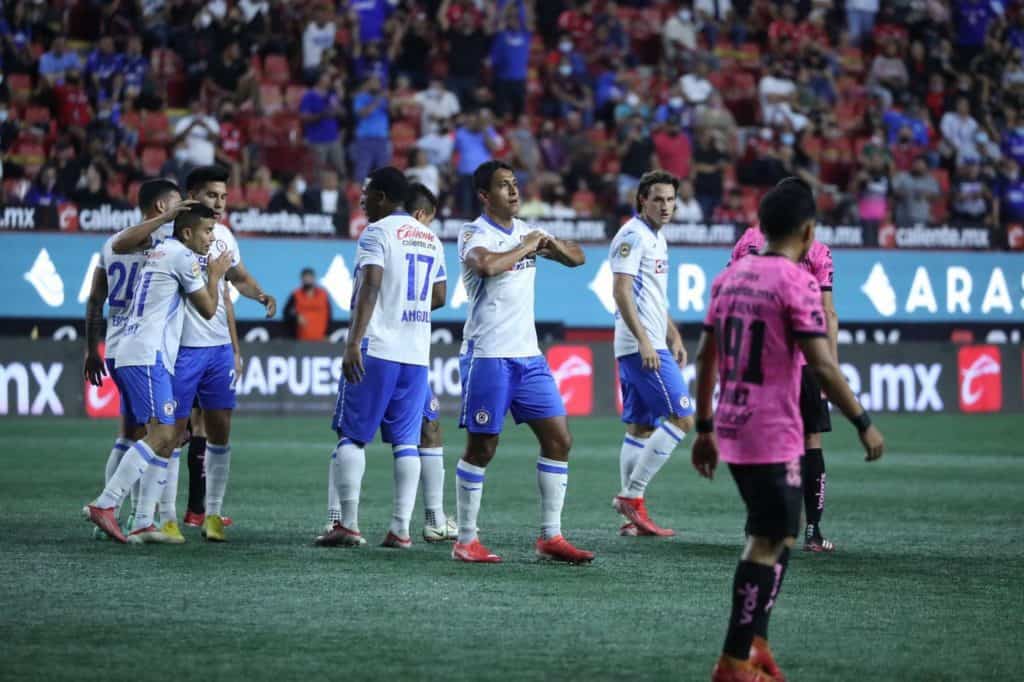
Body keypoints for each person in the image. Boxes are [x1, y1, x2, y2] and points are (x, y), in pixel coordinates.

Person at [693, 178, 884, 682]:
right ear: (808, 230)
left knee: (777, 537)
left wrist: (704, 427)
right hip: (772, 430)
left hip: (732, 424)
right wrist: (861, 421)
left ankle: (755, 644)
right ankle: (733, 661)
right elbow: (821, 366)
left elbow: (705, 356)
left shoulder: (729, 279)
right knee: (766, 541)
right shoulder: (797, 282)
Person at [113, 165, 277, 541]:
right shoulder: (167, 236)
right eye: (211, 196)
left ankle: (213, 515)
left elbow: (238, 280)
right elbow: (121, 246)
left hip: (217, 350)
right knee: (170, 436)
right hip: (181, 349)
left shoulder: (223, 238)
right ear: (191, 196)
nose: (219, 205)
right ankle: (166, 517)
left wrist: (260, 293)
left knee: (220, 432)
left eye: (223, 197)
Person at [452, 160, 593, 564]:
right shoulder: (473, 233)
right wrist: (530, 245)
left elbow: (578, 258)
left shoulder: (526, 233)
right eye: (503, 186)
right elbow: (486, 265)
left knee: (559, 440)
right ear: (484, 195)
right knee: (482, 448)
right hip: (488, 356)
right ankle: (465, 540)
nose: (514, 192)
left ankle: (551, 536)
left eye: (515, 184)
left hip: (528, 356)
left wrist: (551, 245)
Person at [82, 208, 231, 544]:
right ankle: (106, 504)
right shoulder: (183, 257)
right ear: (188, 233)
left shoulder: (159, 249)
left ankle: (143, 522)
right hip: (147, 354)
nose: (212, 237)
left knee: (157, 434)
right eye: (207, 230)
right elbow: (208, 310)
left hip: (133, 350)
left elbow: (120, 244)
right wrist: (216, 275)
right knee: (165, 433)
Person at [315, 168, 446, 549]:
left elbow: (370, 283)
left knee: (352, 437)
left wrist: (352, 341)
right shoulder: (430, 238)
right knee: (406, 442)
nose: (362, 199)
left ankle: (348, 524)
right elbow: (438, 296)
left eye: (368, 193)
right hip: (416, 353)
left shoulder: (377, 232)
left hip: (379, 346)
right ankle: (400, 528)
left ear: (386, 198)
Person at [729, 193, 840, 553]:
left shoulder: (747, 242)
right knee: (810, 442)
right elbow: (828, 314)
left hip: (760, 362)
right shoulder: (818, 251)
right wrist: (830, 368)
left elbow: (736, 293)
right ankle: (814, 531)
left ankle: (755, 525)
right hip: (806, 361)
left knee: (762, 440)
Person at [83, 179, 191, 540]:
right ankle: (115, 507)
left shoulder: (114, 243)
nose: (183, 208)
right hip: (146, 349)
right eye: (178, 203)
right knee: (162, 433)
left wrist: (92, 347)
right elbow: (97, 297)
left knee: (131, 434)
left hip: (119, 348)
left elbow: (95, 299)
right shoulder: (161, 244)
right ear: (163, 208)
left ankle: (131, 520)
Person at [608, 171, 695, 537]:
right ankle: (633, 496)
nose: (666, 206)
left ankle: (632, 519)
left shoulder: (657, 239)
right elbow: (621, 290)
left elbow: (654, 298)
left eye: (671, 199)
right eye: (658, 199)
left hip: (648, 341)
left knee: (641, 427)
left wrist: (672, 332)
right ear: (642, 200)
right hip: (641, 346)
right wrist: (646, 340)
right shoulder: (632, 235)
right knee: (682, 418)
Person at [283, 268, 331, 341]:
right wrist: (296, 317)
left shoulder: (323, 294)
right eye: (305, 278)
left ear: (314, 278)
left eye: (309, 277)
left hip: (321, 338)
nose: (307, 280)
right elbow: (286, 312)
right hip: (302, 338)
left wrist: (328, 333)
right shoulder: (296, 294)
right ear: (301, 279)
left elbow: (329, 315)